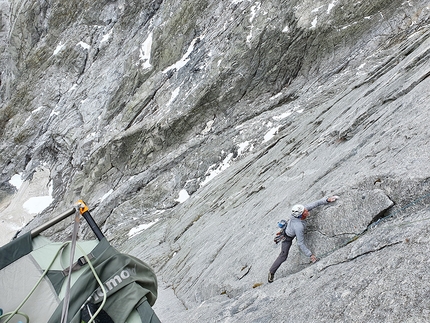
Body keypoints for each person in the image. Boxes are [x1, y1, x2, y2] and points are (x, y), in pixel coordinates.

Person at [268, 195, 339, 283]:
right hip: (287, 238)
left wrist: (327, 200)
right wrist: (310, 255)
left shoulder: (300, 212)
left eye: (305, 209)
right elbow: (300, 243)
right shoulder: (299, 226)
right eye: (305, 211)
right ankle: (271, 272)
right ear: (301, 215)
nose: (306, 210)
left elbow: (315, 203)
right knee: (283, 256)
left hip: (289, 229)